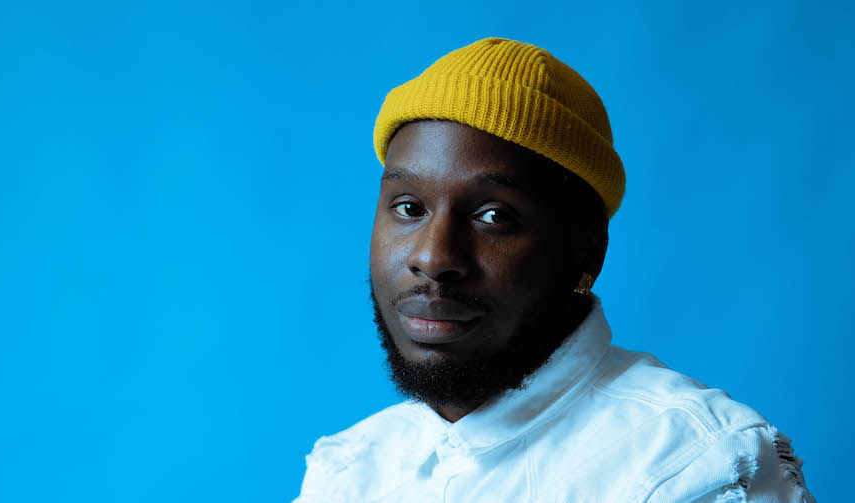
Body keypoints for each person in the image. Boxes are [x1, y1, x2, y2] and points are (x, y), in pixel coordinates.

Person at [293, 37, 815, 502]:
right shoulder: (350, 469)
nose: (432, 257)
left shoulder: (696, 466)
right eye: (409, 207)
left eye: (494, 216)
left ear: (587, 252)